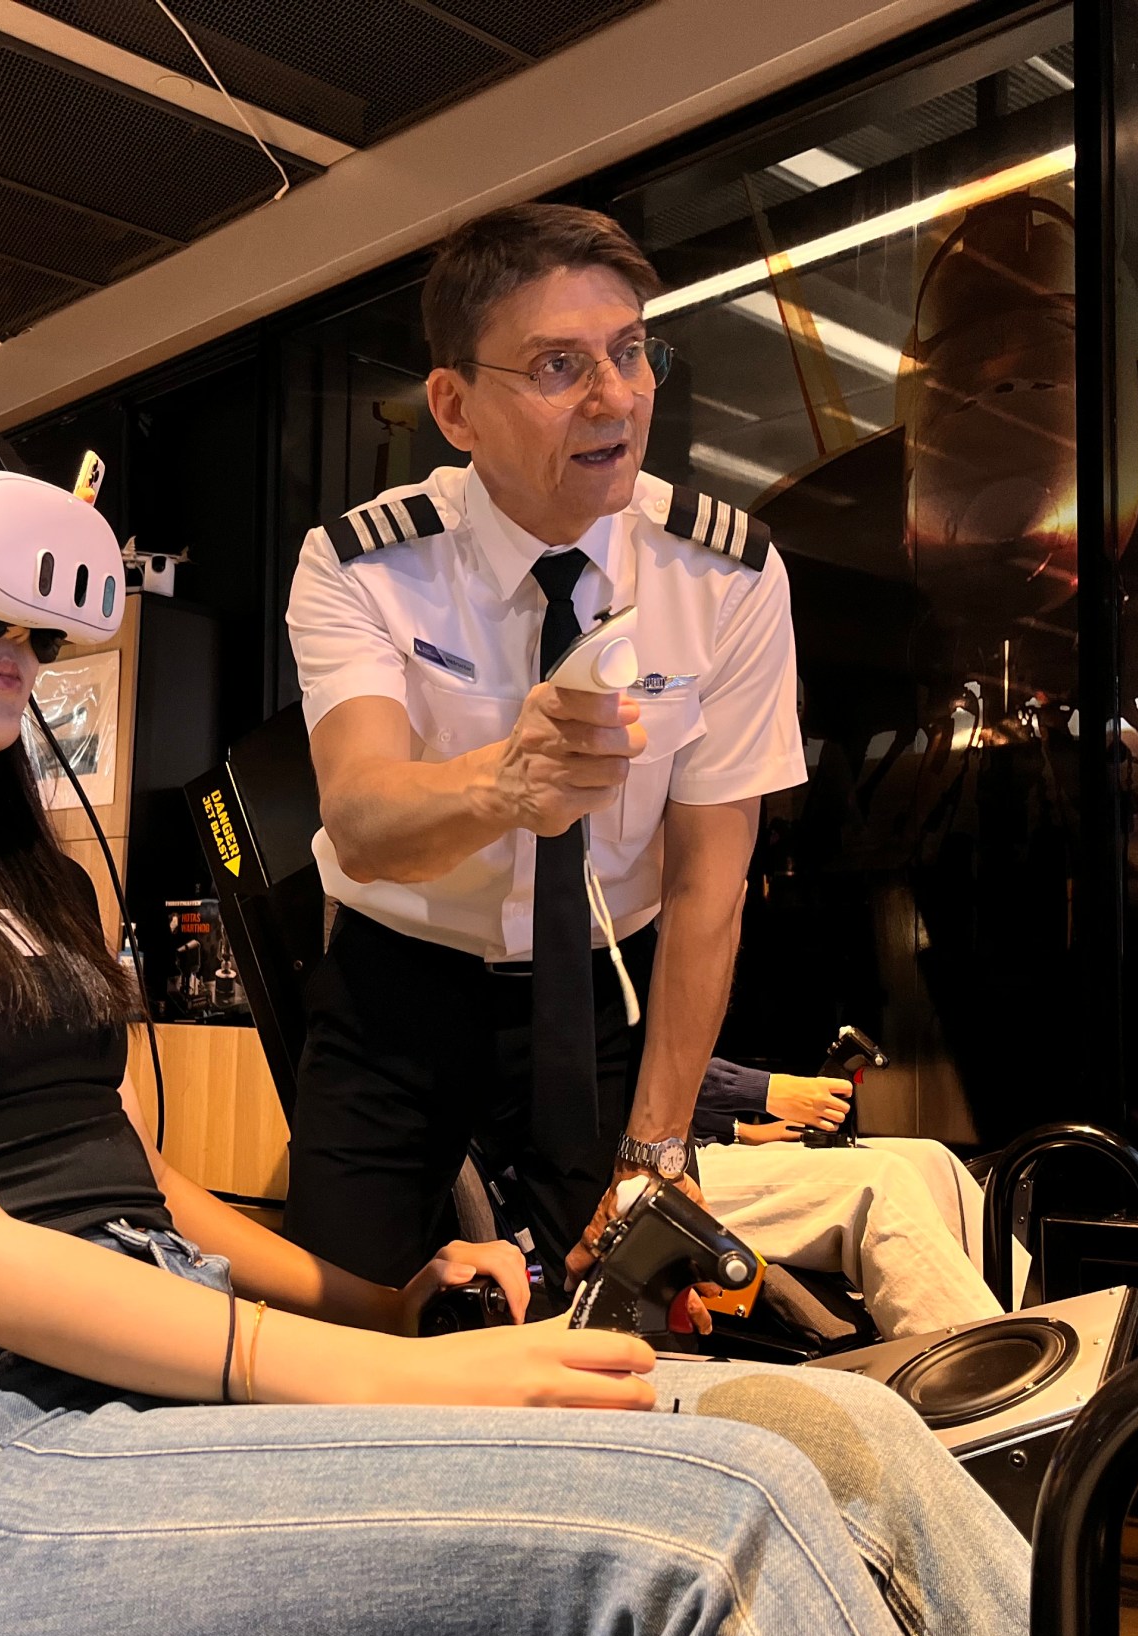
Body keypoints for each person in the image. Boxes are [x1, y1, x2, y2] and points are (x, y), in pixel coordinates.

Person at [0, 392, 1138, 1636]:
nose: (19, 644)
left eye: (42, 613)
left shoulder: (23, 861)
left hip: (143, 1376)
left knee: (843, 1433)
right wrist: (396, 1381)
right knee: (714, 1525)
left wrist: (389, 1307)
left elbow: (143, 1195)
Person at [285, 203, 805, 1288]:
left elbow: (712, 881)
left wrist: (657, 1150)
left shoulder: (726, 575)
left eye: (630, 352)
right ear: (455, 405)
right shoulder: (363, 565)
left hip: (599, 1000)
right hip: (397, 992)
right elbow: (365, 821)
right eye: (559, 365)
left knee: (622, 1314)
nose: (615, 396)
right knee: (346, 1311)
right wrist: (502, 785)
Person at [691, 1060, 1005, 1339]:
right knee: (880, 1181)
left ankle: (1013, 1329)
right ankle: (970, 1371)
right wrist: (765, 1090)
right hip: (660, 1169)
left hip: (692, 1146)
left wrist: (739, 1130)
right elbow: (649, 1072)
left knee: (931, 1160)